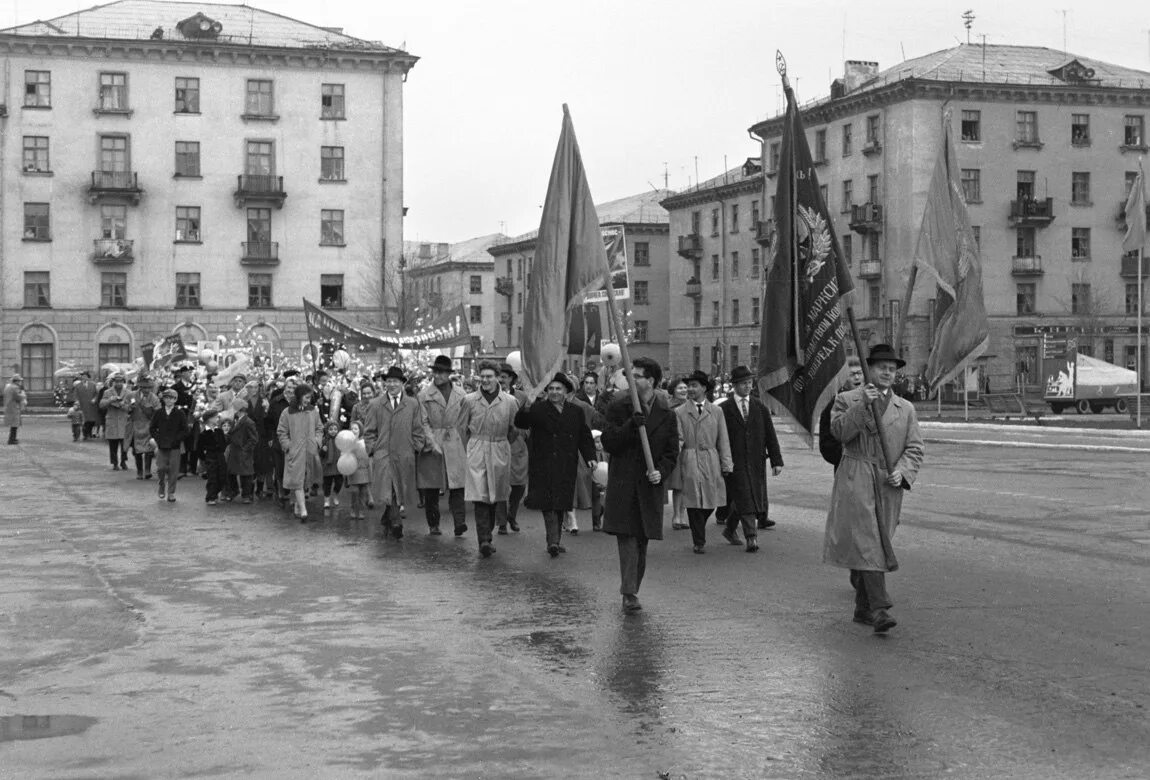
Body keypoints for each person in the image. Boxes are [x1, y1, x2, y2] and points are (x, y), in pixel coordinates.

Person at [824, 344, 925, 634]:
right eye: (882, 367)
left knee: (875, 544)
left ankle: (862, 607)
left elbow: (915, 448)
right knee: (871, 543)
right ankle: (880, 609)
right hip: (856, 476)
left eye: (892, 369)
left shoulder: (905, 408)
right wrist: (861, 405)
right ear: (869, 370)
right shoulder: (846, 399)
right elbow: (840, 432)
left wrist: (903, 472)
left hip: (888, 484)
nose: (887, 373)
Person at [601, 357, 679, 613]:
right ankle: (629, 593)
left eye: (637, 376)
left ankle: (633, 587)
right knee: (628, 539)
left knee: (642, 541)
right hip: (624, 483)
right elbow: (609, 442)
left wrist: (662, 472)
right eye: (630, 375)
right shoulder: (619, 405)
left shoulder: (666, 413)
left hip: (649, 485)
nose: (631, 380)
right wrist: (630, 426)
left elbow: (671, 452)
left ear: (651, 381)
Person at [515, 372, 597, 557]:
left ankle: (555, 540)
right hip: (543, 462)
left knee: (561, 503)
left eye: (558, 389)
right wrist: (527, 405)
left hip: (567, 463)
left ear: (566, 391)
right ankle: (552, 541)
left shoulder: (575, 411)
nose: (554, 392)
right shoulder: (538, 408)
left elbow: (584, 436)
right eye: (551, 389)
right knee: (548, 503)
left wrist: (590, 456)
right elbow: (520, 422)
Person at [720, 365, 783, 552]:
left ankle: (730, 529)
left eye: (749, 382)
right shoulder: (724, 408)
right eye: (743, 383)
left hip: (756, 460)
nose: (747, 386)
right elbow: (719, 437)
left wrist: (776, 460)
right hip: (734, 461)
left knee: (747, 497)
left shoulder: (760, 407)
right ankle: (751, 537)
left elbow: (770, 435)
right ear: (734, 386)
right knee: (745, 496)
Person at [461, 360, 520, 558]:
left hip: (499, 448)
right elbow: (462, 428)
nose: (485, 380)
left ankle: (489, 535)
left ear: (497, 378)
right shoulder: (469, 400)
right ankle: (483, 540)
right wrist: (470, 448)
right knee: (480, 496)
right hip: (477, 447)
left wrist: (502, 444)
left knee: (495, 496)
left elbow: (514, 429)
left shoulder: (510, 401)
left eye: (490, 376)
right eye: (482, 376)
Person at [673, 370, 733, 554]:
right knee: (692, 500)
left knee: (712, 500)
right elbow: (678, 439)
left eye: (694, 386)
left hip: (711, 458)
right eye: (688, 386)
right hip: (689, 459)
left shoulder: (716, 411)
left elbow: (723, 439)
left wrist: (726, 464)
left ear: (704, 388)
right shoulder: (680, 412)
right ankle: (698, 540)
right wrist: (673, 459)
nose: (690, 389)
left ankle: (699, 528)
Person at [362, 366, 425, 539]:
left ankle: (387, 517)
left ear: (402, 383)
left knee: (399, 488)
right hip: (383, 453)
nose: (391, 384)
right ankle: (397, 522)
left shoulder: (412, 404)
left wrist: (416, 446)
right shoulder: (375, 404)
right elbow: (369, 431)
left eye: (395, 381)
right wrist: (372, 448)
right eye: (388, 381)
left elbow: (418, 428)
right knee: (389, 487)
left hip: (404, 453)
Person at [416, 355, 469, 536]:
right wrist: (431, 442)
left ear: (448, 374)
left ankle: (459, 522)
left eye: (441, 372)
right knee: (431, 486)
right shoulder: (424, 395)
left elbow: (466, 419)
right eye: (435, 372)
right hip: (434, 440)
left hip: (455, 440)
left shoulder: (461, 394)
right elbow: (423, 422)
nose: (437, 376)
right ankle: (433, 524)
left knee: (458, 484)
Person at [278, 383, 323, 521]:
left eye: (310, 398)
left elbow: (319, 428)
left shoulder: (313, 411)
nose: (308, 400)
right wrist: (288, 445)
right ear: (299, 396)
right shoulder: (287, 412)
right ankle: (303, 510)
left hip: (309, 451)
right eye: (306, 397)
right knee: (297, 481)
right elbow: (282, 431)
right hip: (295, 452)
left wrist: (317, 441)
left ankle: (298, 504)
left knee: (305, 481)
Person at [497, 363, 529, 534]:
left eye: (504, 377)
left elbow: (528, 419)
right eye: (499, 376)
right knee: (501, 484)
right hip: (498, 443)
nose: (501, 380)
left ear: (511, 379)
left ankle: (512, 514)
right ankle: (502, 522)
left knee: (519, 484)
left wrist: (523, 434)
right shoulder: (490, 397)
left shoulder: (522, 397)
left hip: (517, 445)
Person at [819, 356, 865, 470]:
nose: (857, 377)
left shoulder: (874, 400)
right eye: (852, 374)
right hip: (846, 469)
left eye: (860, 373)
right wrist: (848, 456)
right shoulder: (833, 404)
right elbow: (827, 444)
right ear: (843, 378)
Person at [149, 388, 188, 502]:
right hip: (161, 445)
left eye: (171, 398)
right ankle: (161, 485)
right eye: (166, 397)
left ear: (175, 400)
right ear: (163, 399)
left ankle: (171, 493)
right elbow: (152, 428)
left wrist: (177, 439)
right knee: (161, 468)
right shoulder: (159, 412)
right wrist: (157, 438)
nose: (168, 400)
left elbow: (185, 430)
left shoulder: (180, 413)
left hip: (175, 446)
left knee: (173, 470)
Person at [663, 377, 690, 530]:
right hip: (675, 448)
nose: (684, 390)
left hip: (690, 448)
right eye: (680, 388)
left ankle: (682, 514)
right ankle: (676, 515)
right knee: (678, 484)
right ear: (673, 390)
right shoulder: (668, 408)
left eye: (685, 388)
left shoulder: (691, 406)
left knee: (686, 483)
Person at [126, 374, 160, 479]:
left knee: (149, 449)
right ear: (140, 387)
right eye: (144, 387)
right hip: (135, 425)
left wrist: (149, 409)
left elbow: (158, 410)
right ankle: (139, 472)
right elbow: (124, 407)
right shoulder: (131, 395)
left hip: (148, 425)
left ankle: (147, 471)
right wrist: (129, 408)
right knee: (137, 451)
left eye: (149, 387)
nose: (146, 390)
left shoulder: (154, 398)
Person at [226, 400, 259, 504]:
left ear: (239, 410)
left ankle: (247, 494)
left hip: (243, 451)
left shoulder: (248, 422)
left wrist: (246, 449)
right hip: (235, 450)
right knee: (232, 472)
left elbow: (254, 439)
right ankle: (234, 491)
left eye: (234, 408)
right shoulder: (235, 420)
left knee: (246, 474)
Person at [100, 373, 131, 470]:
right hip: (112, 421)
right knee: (113, 444)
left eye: (120, 381)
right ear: (113, 382)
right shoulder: (107, 392)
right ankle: (114, 463)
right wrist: (110, 400)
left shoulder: (128, 393)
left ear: (123, 382)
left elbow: (132, 407)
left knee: (124, 444)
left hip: (124, 421)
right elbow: (101, 405)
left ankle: (123, 461)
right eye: (116, 381)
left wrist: (123, 405)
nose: (118, 383)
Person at [198, 409, 228, 505]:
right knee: (212, 477)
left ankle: (214, 493)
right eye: (215, 417)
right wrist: (205, 458)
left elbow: (224, 444)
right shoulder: (203, 434)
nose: (217, 419)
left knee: (222, 476)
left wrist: (221, 449)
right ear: (210, 419)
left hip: (220, 456)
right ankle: (211, 496)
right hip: (210, 457)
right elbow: (199, 449)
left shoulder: (219, 431)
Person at [344, 420, 372, 520]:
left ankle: (361, 510)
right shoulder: (348, 442)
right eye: (352, 429)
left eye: (356, 428)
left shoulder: (364, 441)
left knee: (363, 492)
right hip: (353, 471)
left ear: (360, 430)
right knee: (355, 491)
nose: (354, 430)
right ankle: (353, 509)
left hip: (364, 470)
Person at [319, 419, 345, 510]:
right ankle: (326, 500)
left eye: (335, 429)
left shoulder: (340, 440)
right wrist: (323, 450)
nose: (333, 431)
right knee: (327, 484)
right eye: (330, 429)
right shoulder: (324, 440)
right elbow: (320, 455)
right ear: (327, 430)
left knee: (339, 482)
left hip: (338, 466)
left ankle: (335, 494)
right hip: (328, 466)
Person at [74, 371, 100, 440]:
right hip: (83, 406)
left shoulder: (93, 385)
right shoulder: (78, 386)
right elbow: (76, 395)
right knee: (84, 421)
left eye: (85, 376)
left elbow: (96, 394)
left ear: (88, 377)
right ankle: (86, 434)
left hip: (91, 406)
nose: (84, 378)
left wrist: (94, 399)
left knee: (91, 421)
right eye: (83, 376)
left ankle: (89, 432)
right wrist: (77, 402)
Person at [4, 374, 27, 445]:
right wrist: (23, 393)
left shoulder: (7, 386)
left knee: (13, 424)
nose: (20, 382)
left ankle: (13, 438)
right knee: (15, 424)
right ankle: (12, 439)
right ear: (16, 381)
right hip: (14, 407)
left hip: (9, 406)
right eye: (19, 381)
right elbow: (18, 397)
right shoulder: (15, 388)